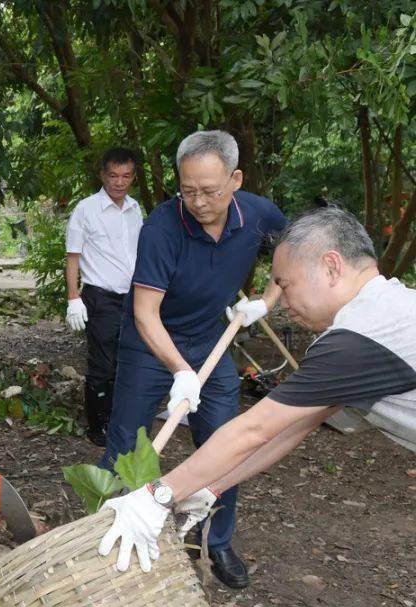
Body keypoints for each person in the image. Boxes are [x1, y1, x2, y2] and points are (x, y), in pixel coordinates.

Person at [98, 206, 416, 573]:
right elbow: (293, 426)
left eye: (285, 284)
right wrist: (209, 488)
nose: (283, 302)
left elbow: (254, 429)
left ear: (331, 267)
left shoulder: (357, 338)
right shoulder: (378, 314)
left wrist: (157, 496)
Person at [99, 130, 287, 589]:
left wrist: (266, 300)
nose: (198, 202)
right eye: (187, 191)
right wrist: (180, 370)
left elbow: (291, 252)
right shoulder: (163, 227)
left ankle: (214, 540)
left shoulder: (258, 214)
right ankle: (102, 535)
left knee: (228, 443)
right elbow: (145, 314)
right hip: (151, 343)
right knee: (127, 443)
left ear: (236, 179)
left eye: (209, 190)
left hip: (211, 339)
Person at [65, 148, 144, 446]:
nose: (119, 182)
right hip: (101, 297)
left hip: (133, 297)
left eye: (125, 176)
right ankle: (97, 426)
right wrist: (74, 298)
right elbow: (73, 257)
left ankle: (121, 418)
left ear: (133, 178)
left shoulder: (136, 209)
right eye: (113, 175)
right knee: (103, 364)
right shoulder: (86, 209)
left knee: (130, 359)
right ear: (102, 175)